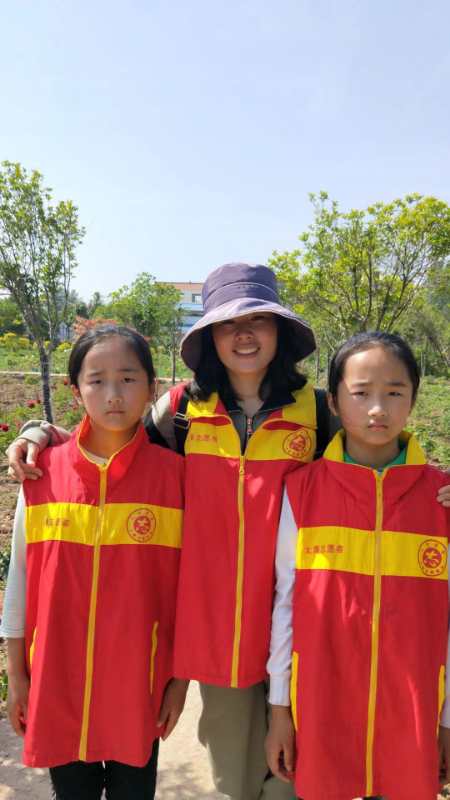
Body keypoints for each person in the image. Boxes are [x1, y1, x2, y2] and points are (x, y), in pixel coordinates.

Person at [6, 267, 450, 800]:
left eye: (258, 320)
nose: (244, 334)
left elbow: (375, 451)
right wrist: (40, 432)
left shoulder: (316, 410)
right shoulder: (179, 411)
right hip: (218, 635)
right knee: (236, 779)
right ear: (210, 337)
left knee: (296, 777)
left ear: (280, 331)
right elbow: (113, 441)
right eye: (228, 323)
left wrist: (437, 492)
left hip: (306, 625)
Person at [1, 325, 187, 800]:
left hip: (140, 683)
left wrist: (179, 682)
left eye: (128, 379)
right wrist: (17, 676)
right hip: (57, 681)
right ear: (75, 389)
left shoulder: (175, 479)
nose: (113, 395)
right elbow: (19, 583)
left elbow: (188, 593)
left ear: (152, 387)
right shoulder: (42, 476)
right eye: (96, 380)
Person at [265, 331, 450, 800]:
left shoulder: (441, 500)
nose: (378, 409)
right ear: (333, 401)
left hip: (413, 712)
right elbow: (285, 605)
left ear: (413, 398)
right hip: (322, 706)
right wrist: (279, 708)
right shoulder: (302, 491)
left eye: (395, 393)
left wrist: (448, 720)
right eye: (361, 393)